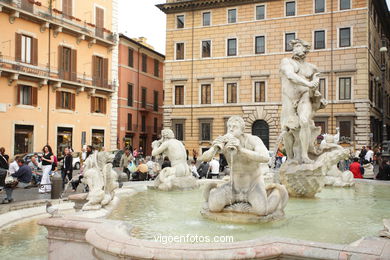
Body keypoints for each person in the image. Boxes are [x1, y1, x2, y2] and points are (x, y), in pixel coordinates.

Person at [280, 39, 325, 164]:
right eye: (294, 46)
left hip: (304, 96)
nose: (295, 48)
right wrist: (309, 83)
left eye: (298, 45)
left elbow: (314, 85)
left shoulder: (312, 68)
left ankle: (305, 155)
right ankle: (290, 157)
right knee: (287, 129)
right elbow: (290, 75)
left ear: (305, 49)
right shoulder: (286, 62)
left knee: (304, 121)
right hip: (289, 97)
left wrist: (315, 89)